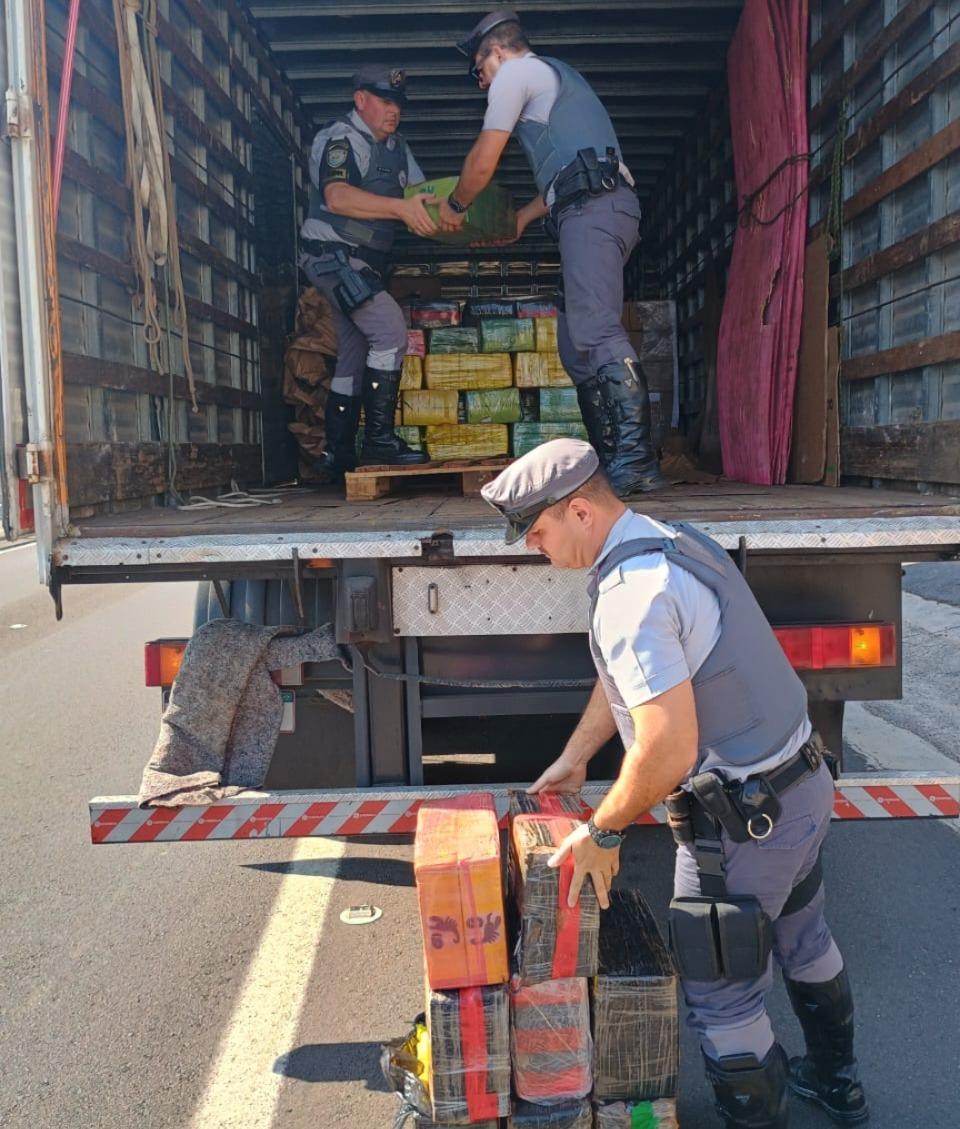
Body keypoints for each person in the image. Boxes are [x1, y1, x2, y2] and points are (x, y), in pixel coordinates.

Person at [480, 438, 868, 1129]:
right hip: (800, 786)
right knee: (804, 936)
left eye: (536, 532)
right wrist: (578, 755)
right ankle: (840, 1086)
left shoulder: (631, 596)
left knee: (723, 997)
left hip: (742, 822)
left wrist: (603, 830)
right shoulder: (672, 541)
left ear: (579, 511)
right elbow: (639, 680)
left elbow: (667, 747)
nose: (533, 547)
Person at [436, 9, 664, 496]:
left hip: (595, 212)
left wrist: (456, 205)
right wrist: (520, 218)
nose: (481, 84)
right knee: (574, 345)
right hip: (590, 209)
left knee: (596, 328)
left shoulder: (515, 73)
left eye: (479, 71)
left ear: (496, 52)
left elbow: (484, 157)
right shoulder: (554, 80)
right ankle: (611, 455)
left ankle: (637, 460)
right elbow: (573, 170)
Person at [299, 65, 436, 476]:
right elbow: (336, 197)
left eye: (398, 103)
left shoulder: (397, 148)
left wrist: (466, 220)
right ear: (361, 100)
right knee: (391, 331)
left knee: (354, 353)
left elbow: (423, 199)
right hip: (333, 256)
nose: (394, 110)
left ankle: (338, 453)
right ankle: (378, 443)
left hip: (364, 262)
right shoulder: (341, 139)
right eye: (385, 101)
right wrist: (401, 209)